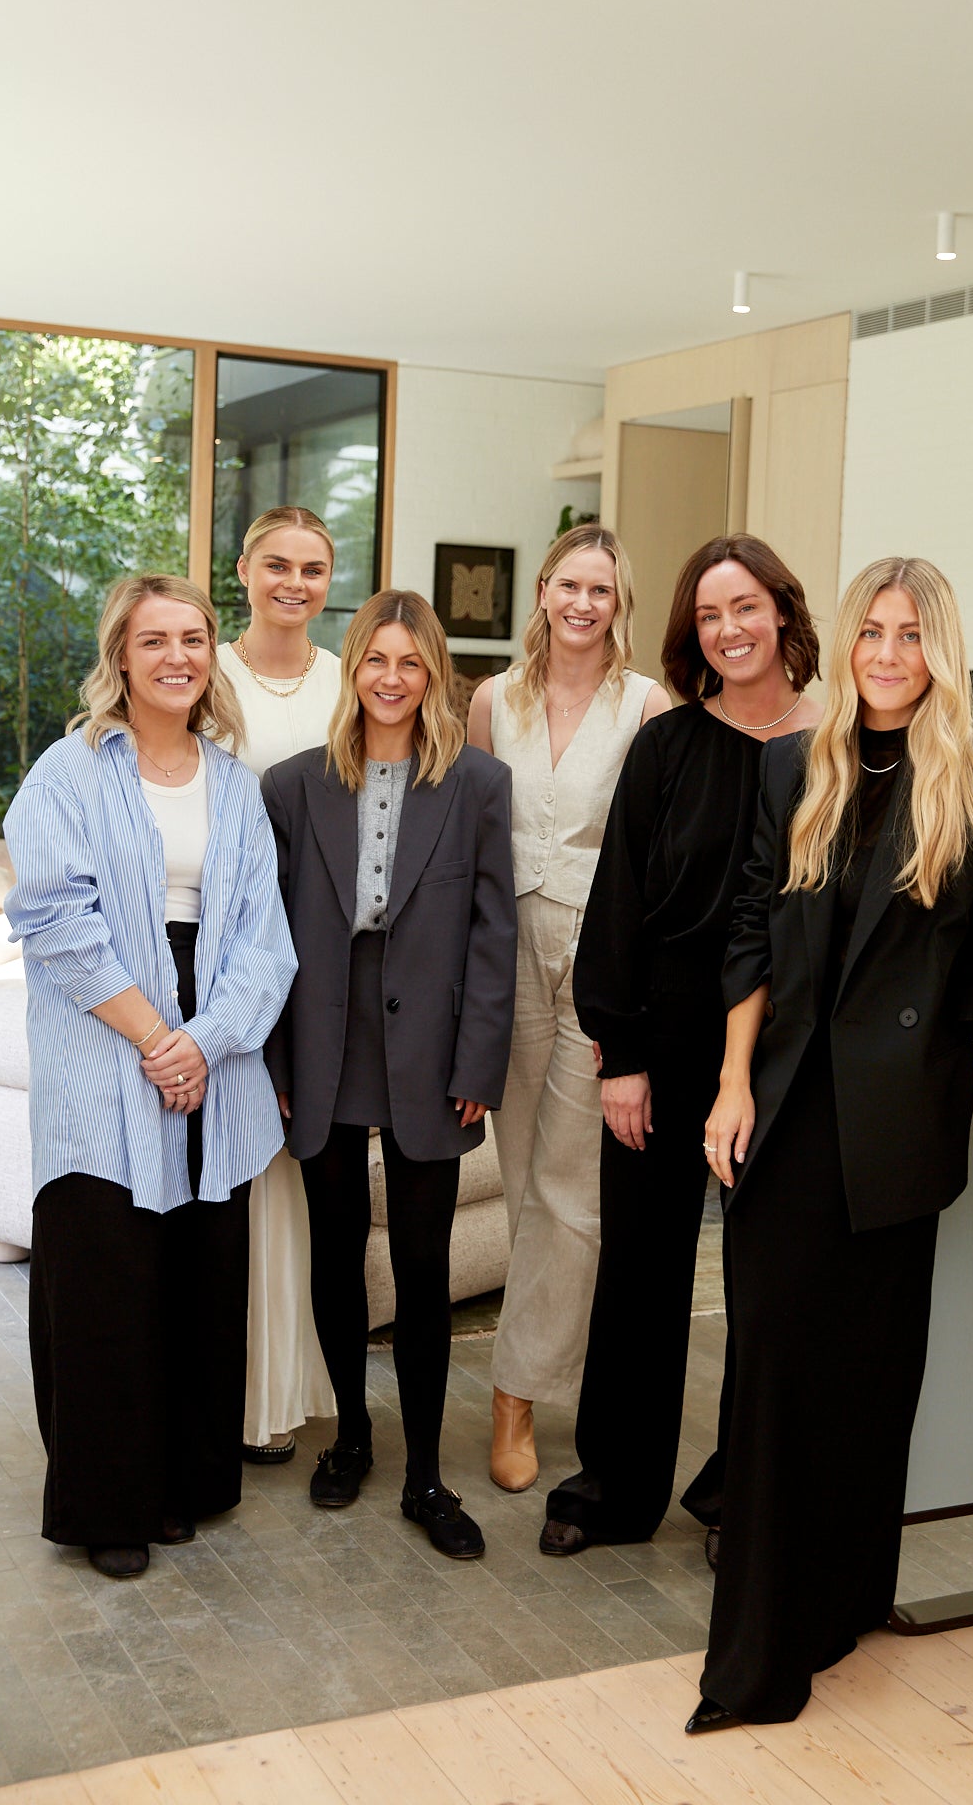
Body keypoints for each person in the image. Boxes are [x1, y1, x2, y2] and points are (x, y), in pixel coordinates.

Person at [688, 555, 973, 1732]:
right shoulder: (789, 763)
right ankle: (755, 1662)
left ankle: (843, 1603)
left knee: (867, 1381)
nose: (887, 654)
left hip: (898, 1120)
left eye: (910, 634)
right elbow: (750, 930)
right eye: (871, 630)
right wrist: (729, 1083)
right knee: (773, 1374)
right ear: (847, 640)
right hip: (784, 1107)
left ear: (937, 649)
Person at [4, 574, 297, 1579]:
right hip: (103, 1040)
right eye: (154, 639)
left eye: (193, 638)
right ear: (120, 658)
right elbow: (56, 922)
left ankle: (184, 1483)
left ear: (212, 655)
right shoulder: (67, 773)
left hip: (214, 1047)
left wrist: (203, 1043)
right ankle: (107, 1505)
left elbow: (265, 940)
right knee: (106, 1282)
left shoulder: (237, 787)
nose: (177, 656)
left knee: (198, 1281)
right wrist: (156, 1037)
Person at [541, 535, 821, 1559]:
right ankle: (613, 1485)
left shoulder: (836, 747)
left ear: (782, 612)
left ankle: (740, 1494)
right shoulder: (665, 745)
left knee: (768, 1283)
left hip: (786, 1052)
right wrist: (619, 1053)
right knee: (640, 1272)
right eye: (708, 615)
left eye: (744, 607)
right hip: (659, 1042)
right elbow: (618, 900)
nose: (728, 630)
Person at [263, 589, 517, 1557]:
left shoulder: (478, 784)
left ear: (433, 673)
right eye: (376, 658)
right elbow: (266, 937)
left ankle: (425, 1476)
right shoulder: (292, 787)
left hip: (432, 1053)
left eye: (411, 662)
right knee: (335, 1255)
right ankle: (352, 1441)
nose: (392, 677)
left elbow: (494, 934)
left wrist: (479, 1059)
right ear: (353, 667)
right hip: (323, 1043)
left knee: (421, 1268)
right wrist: (279, 1061)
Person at [468, 524, 669, 1492]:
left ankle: (516, 1394)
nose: (583, 603)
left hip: (599, 956)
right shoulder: (490, 699)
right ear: (543, 590)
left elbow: (655, 853)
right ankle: (538, 1367)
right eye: (569, 585)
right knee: (520, 1174)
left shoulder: (646, 704)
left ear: (618, 602)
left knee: (570, 1184)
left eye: (602, 589)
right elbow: (466, 834)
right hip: (502, 953)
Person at [217, 505, 342, 1465]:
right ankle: (211, 1385)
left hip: (321, 954)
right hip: (222, 946)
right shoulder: (205, 672)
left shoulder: (349, 681)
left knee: (287, 1170)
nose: (293, 583)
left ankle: (276, 1392)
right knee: (226, 1165)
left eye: (311, 569)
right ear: (243, 570)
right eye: (276, 565)